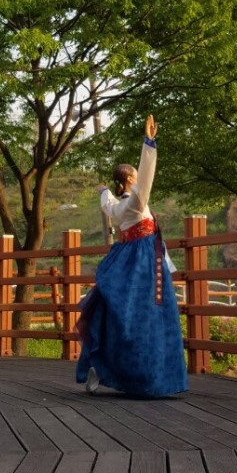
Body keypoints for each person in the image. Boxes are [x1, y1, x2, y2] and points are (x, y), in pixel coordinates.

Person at [76, 115, 188, 397]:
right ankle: (149, 378)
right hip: (143, 263)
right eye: (135, 177)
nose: (140, 180)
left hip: (124, 260)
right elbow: (147, 175)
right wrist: (148, 143)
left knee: (121, 318)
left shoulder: (117, 207)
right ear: (129, 180)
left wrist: (103, 190)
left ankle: (101, 364)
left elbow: (107, 202)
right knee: (150, 316)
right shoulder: (137, 202)